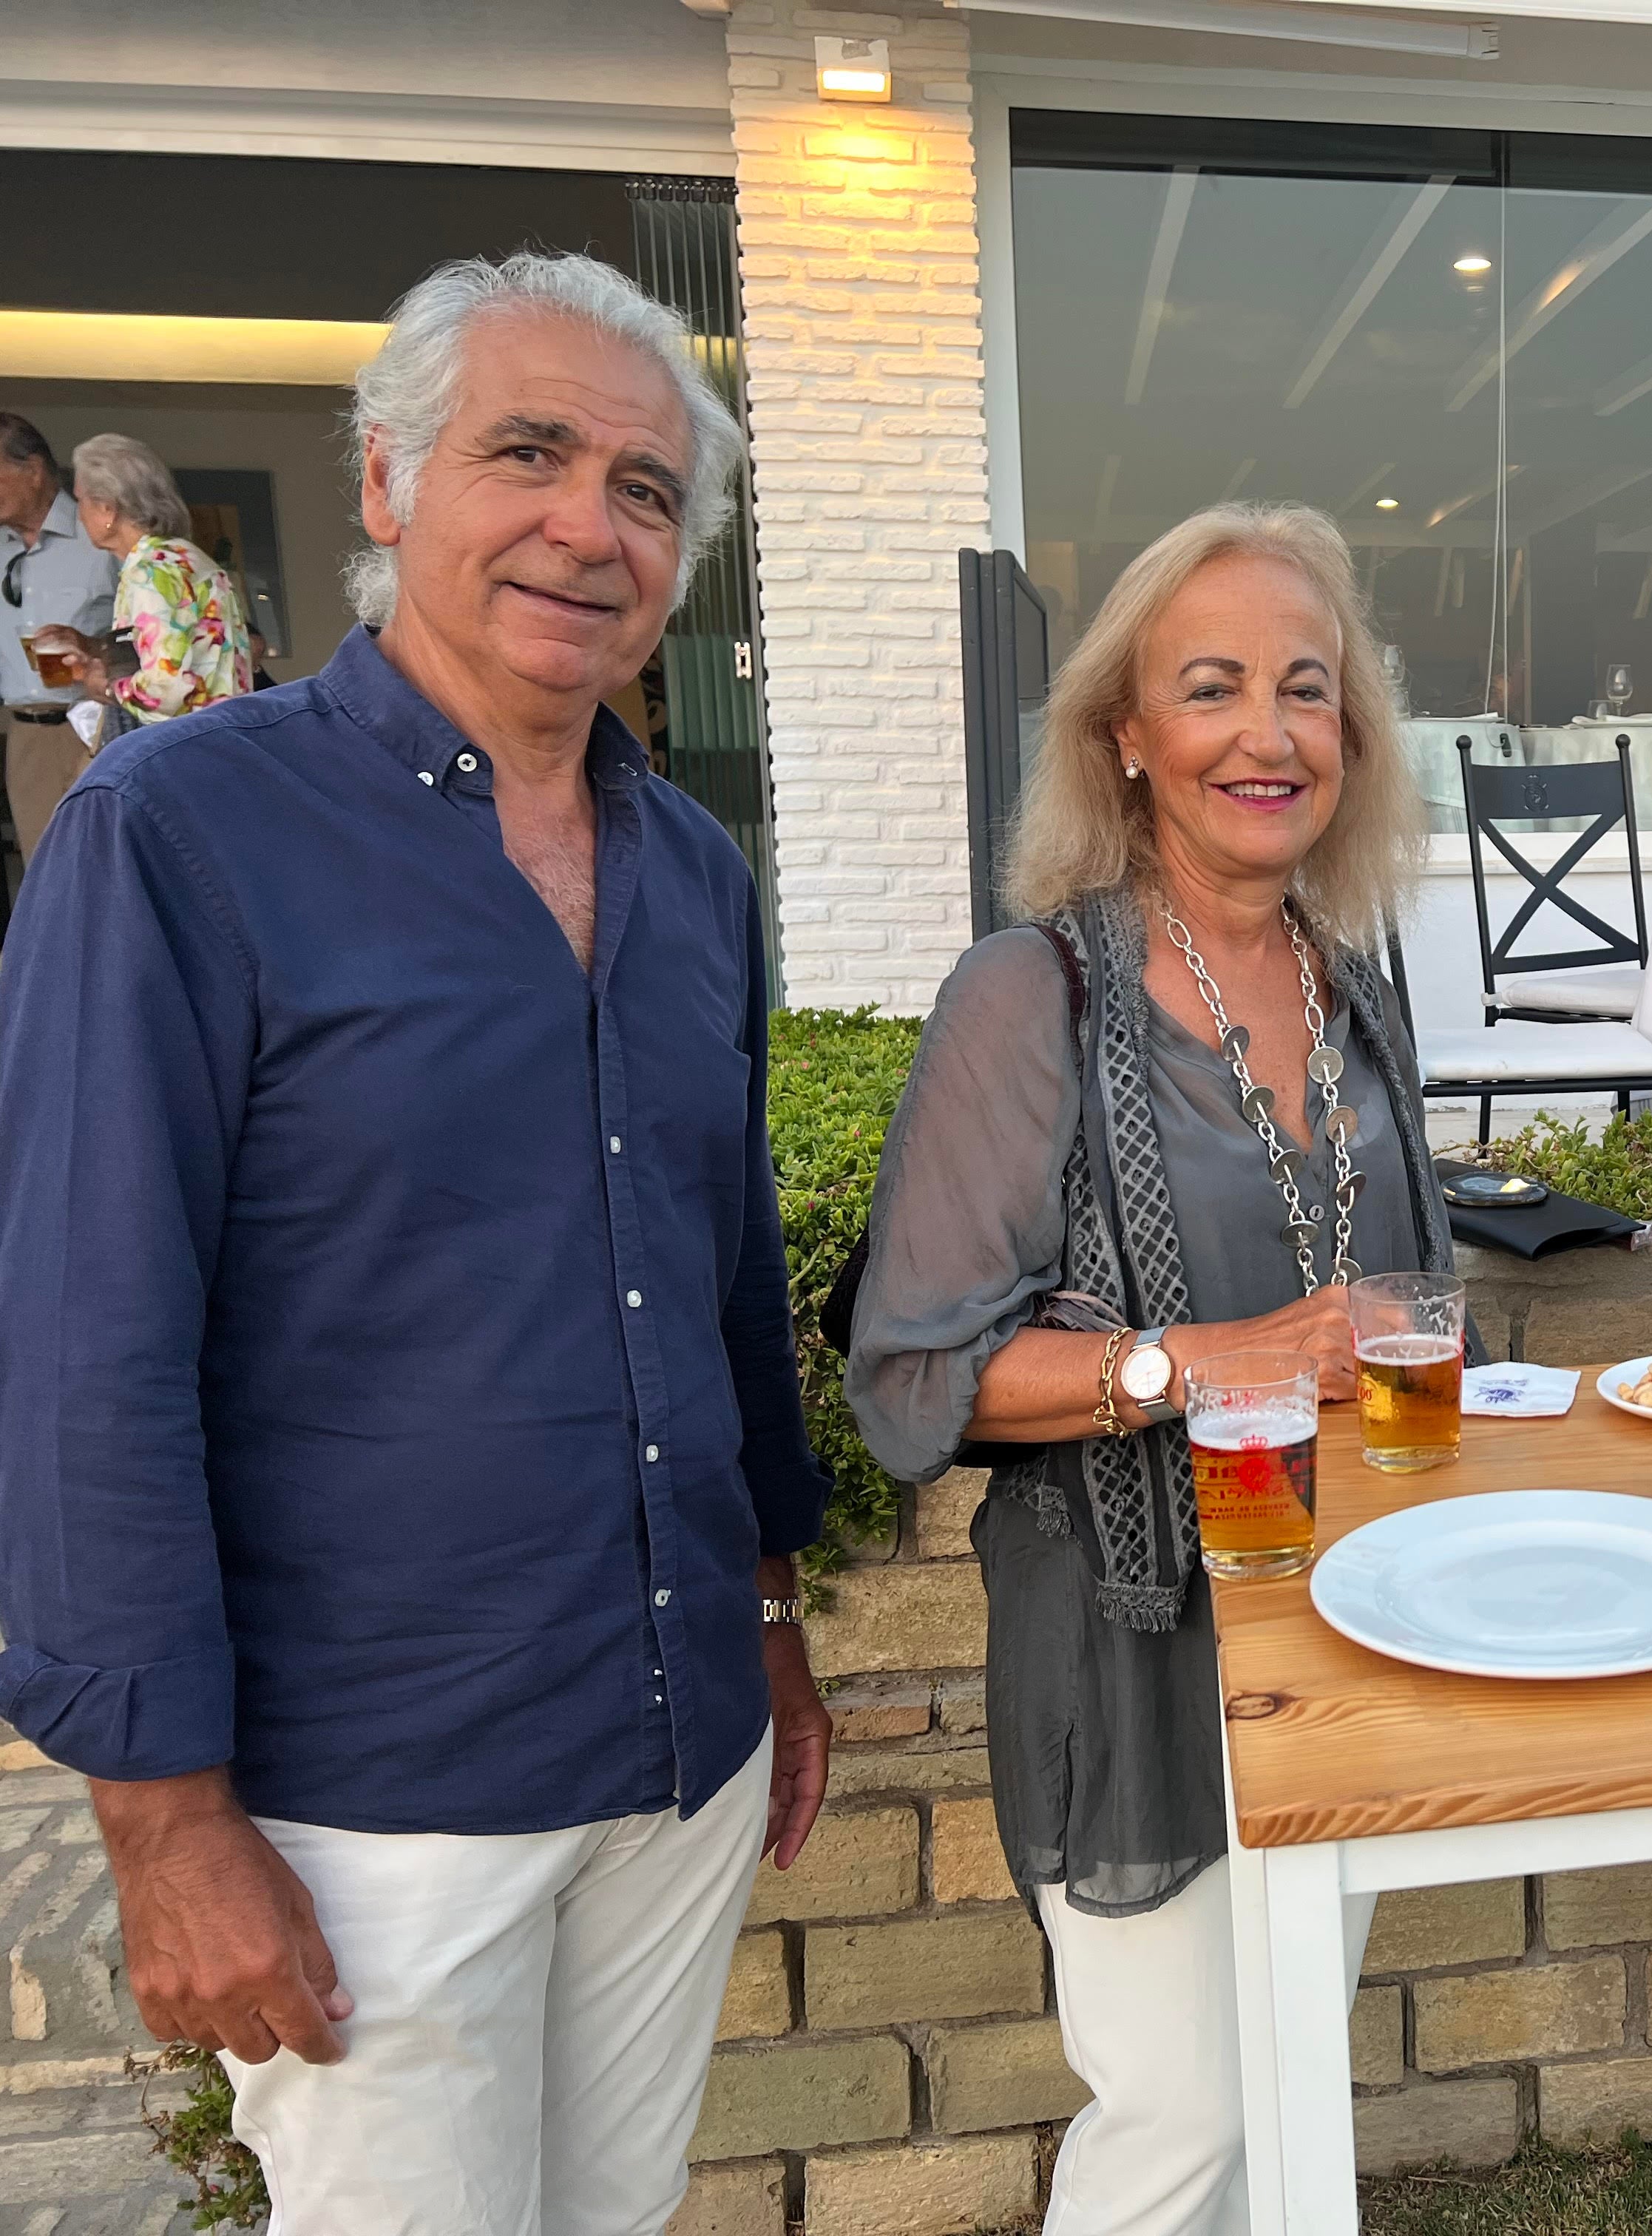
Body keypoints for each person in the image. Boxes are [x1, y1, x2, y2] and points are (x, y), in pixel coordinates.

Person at [0, 253, 833, 2233]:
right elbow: (80, 1342)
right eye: (526, 452)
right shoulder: (179, 839)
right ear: (385, 486)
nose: (588, 523)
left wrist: (775, 1623)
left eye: (646, 490)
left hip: (677, 1751)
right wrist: (166, 1821)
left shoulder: (696, 873)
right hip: (379, 1795)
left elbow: (722, 1278)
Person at [843, 502, 1463, 2236]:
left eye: (1307, 690)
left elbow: (1400, 1294)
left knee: (1281, 2098)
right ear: (1127, 734)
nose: (1269, 734)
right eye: (1212, 688)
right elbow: (916, 1377)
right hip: (1134, 1648)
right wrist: (1198, 1364)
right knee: (1182, 2129)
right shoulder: (1024, 996)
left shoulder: (1358, 992)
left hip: (1342, 1626)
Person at [28, 433, 251, 728]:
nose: (80, 517)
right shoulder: (186, 558)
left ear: (108, 509)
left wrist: (107, 688)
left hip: (184, 745)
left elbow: (164, 689)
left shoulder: (150, 573)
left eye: (81, 500)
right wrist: (96, 666)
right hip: (221, 736)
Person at [0, 411, 122, 864]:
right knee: (44, 880)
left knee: (108, 868)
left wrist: (91, 647)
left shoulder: (103, 533)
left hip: (99, 725)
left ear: (32, 471)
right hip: (26, 735)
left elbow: (156, 632)